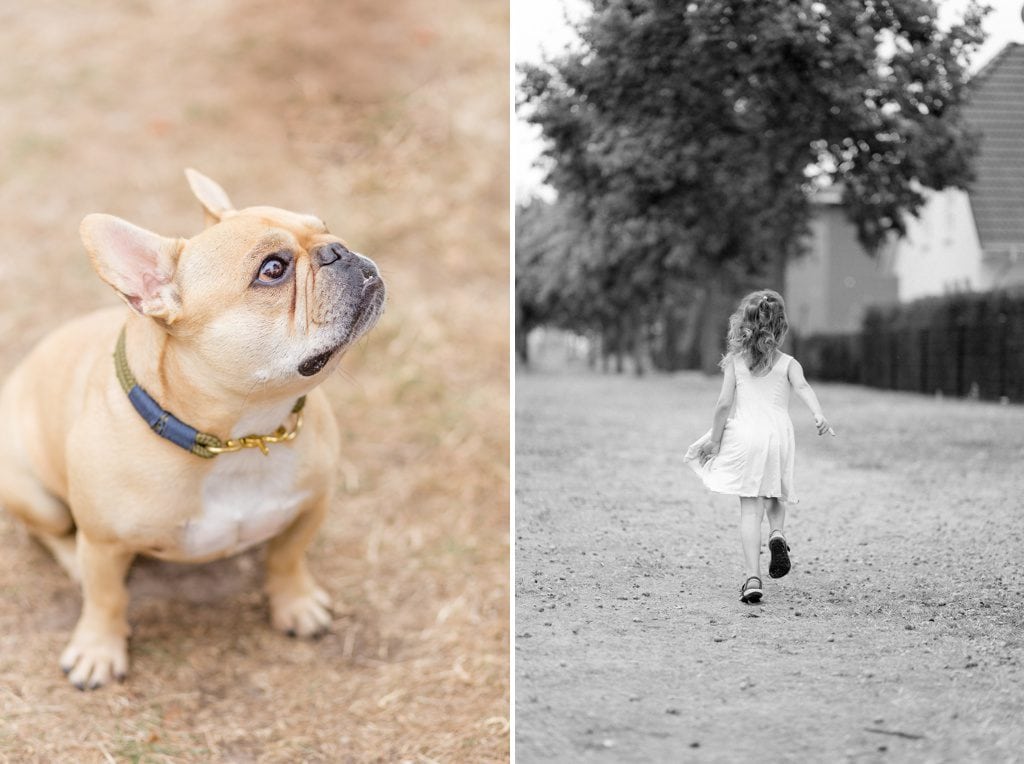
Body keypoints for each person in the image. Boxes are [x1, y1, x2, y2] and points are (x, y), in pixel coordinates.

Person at [684, 289, 835, 604]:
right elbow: (804, 387)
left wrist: (714, 440)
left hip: (745, 438)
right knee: (775, 491)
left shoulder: (736, 363)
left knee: (750, 509)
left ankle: (753, 579)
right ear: (780, 328)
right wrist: (818, 413)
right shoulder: (789, 363)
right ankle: (777, 534)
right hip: (778, 436)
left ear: (744, 327)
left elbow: (724, 404)